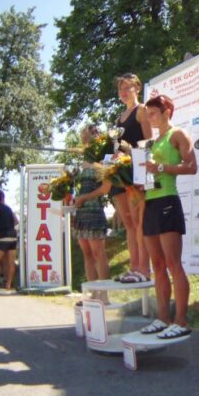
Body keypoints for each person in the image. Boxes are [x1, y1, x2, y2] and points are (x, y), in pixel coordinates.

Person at [140, 94, 197, 339]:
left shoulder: (178, 134)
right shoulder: (151, 143)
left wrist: (161, 168)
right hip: (150, 202)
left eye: (153, 113)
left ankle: (181, 320)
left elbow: (192, 167)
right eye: (148, 114)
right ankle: (163, 318)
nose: (150, 118)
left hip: (167, 201)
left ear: (166, 113)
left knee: (174, 264)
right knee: (157, 265)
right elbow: (148, 173)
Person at [111, 73, 152, 283]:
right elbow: (117, 147)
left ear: (137, 88)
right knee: (128, 223)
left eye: (127, 87)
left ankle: (144, 269)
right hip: (121, 174)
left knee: (139, 221)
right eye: (121, 89)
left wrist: (132, 155)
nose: (124, 92)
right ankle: (134, 267)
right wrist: (115, 157)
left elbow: (149, 143)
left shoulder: (142, 110)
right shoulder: (118, 119)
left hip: (137, 172)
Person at [73, 125, 112, 297]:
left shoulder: (104, 157)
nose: (84, 141)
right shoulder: (84, 160)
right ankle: (93, 294)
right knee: (87, 254)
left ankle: (104, 295)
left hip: (94, 209)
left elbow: (105, 188)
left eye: (87, 137)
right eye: (83, 138)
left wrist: (85, 198)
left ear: (97, 137)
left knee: (98, 253)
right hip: (81, 212)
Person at [0, 191, 18, 290]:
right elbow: (16, 221)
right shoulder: (9, 208)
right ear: (3, 198)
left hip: (3, 237)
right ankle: (8, 284)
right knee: (10, 262)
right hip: (13, 236)